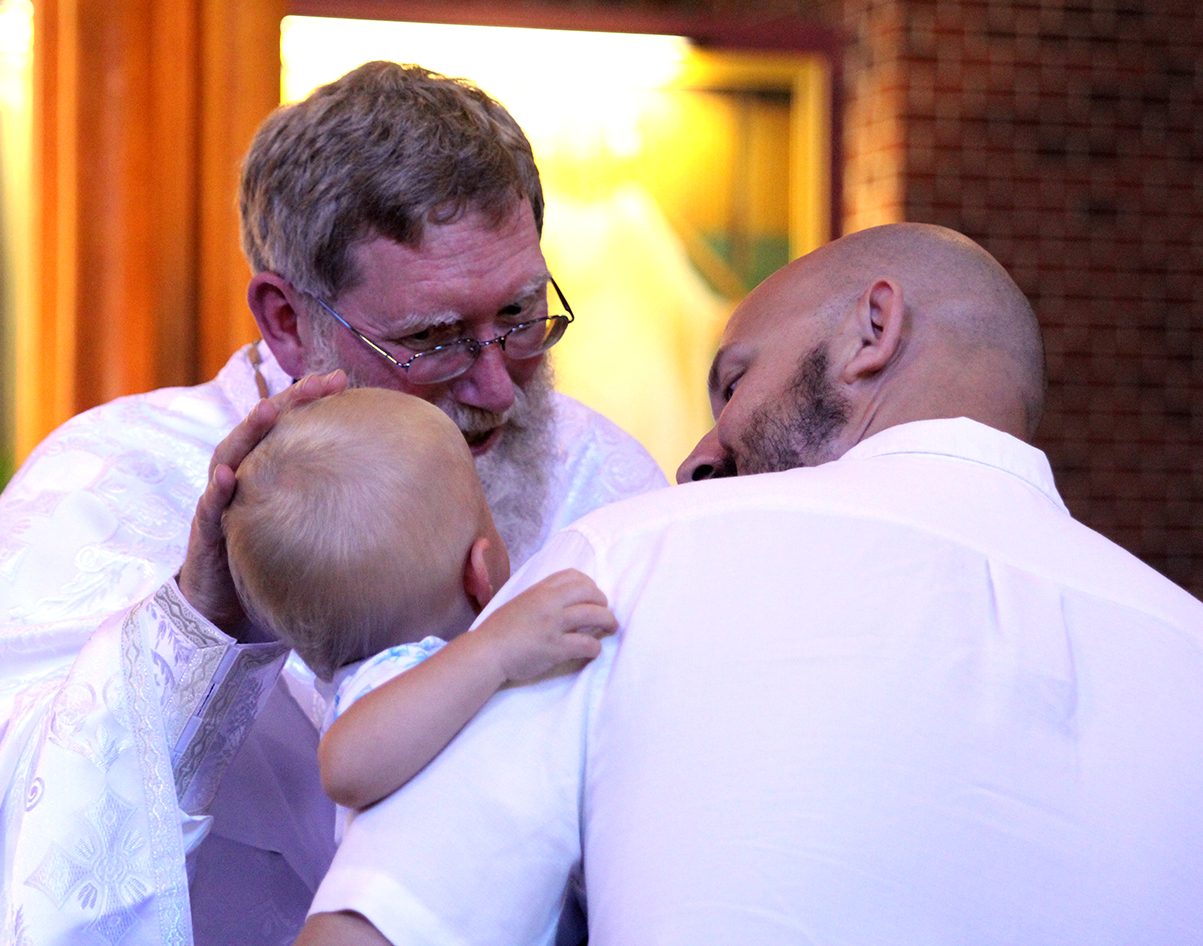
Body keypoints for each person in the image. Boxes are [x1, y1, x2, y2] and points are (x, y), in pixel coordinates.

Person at [0, 62, 665, 946]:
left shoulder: (602, 476)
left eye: (520, 314)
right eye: (430, 339)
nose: (498, 385)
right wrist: (195, 627)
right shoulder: (99, 487)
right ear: (285, 318)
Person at [298, 223, 1203, 946]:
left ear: (871, 331)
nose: (698, 458)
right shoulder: (1185, 649)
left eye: (734, 383)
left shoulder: (635, 560)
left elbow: (377, 931)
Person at [222, 387, 616, 822]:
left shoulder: (440, 676)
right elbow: (344, 765)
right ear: (480, 571)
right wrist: (493, 649)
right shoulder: (391, 675)